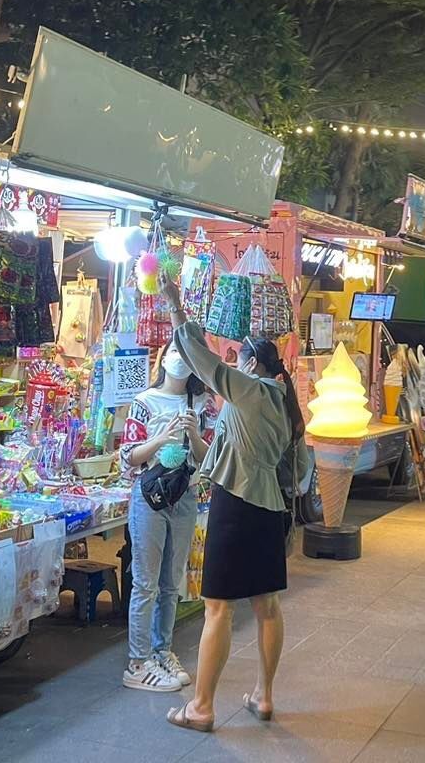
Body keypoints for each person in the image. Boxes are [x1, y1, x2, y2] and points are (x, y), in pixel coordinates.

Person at [158, 279, 313, 733]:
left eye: (238, 357)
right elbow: (298, 469)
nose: (233, 361)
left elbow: (203, 363)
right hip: (269, 510)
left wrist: (175, 306)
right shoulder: (286, 405)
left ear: (251, 364)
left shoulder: (251, 391)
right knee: (266, 606)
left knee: (218, 608)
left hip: (237, 506)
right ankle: (264, 696)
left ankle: (202, 707)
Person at [118, 342, 214, 692]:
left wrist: (192, 434)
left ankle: (163, 651)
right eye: (174, 350)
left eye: (186, 353)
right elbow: (128, 456)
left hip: (185, 496)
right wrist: (161, 439)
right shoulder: (144, 402)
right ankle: (138, 661)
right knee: (145, 582)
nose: (179, 359)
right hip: (148, 499)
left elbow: (210, 457)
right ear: (162, 357)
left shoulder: (203, 404)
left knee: (171, 582)